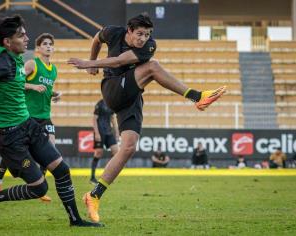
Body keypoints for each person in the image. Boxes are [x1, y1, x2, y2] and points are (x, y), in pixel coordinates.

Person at [67, 13, 226, 223]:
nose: (143, 38)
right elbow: (97, 39)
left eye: (147, 34)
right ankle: (198, 97)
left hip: (131, 97)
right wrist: (93, 62)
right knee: (153, 67)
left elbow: (118, 60)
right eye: (140, 34)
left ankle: (94, 195)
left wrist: (88, 63)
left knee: (129, 147)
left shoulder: (149, 46)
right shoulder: (112, 32)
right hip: (113, 88)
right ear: (129, 31)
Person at [0, 15, 102, 227]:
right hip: (10, 136)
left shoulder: (13, 57)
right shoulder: (4, 62)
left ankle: (76, 220)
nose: (26, 38)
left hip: (28, 125)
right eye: (21, 35)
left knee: (62, 170)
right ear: (7, 42)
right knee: (39, 188)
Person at [0, 33, 61, 203]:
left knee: (51, 146)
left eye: (51, 44)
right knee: (16, 151)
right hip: (28, 117)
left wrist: (55, 94)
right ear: (38, 48)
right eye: (45, 44)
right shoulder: (32, 64)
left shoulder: (54, 69)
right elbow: (16, 83)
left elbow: (45, 89)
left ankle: (40, 186)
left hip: (45, 116)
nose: (48, 46)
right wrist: (33, 86)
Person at [90, 99, 119, 184]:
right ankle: (92, 177)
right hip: (100, 132)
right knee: (98, 153)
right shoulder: (100, 103)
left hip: (108, 132)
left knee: (116, 152)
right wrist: (96, 133)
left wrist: (116, 132)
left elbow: (113, 119)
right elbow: (94, 119)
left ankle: (108, 175)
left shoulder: (112, 103)